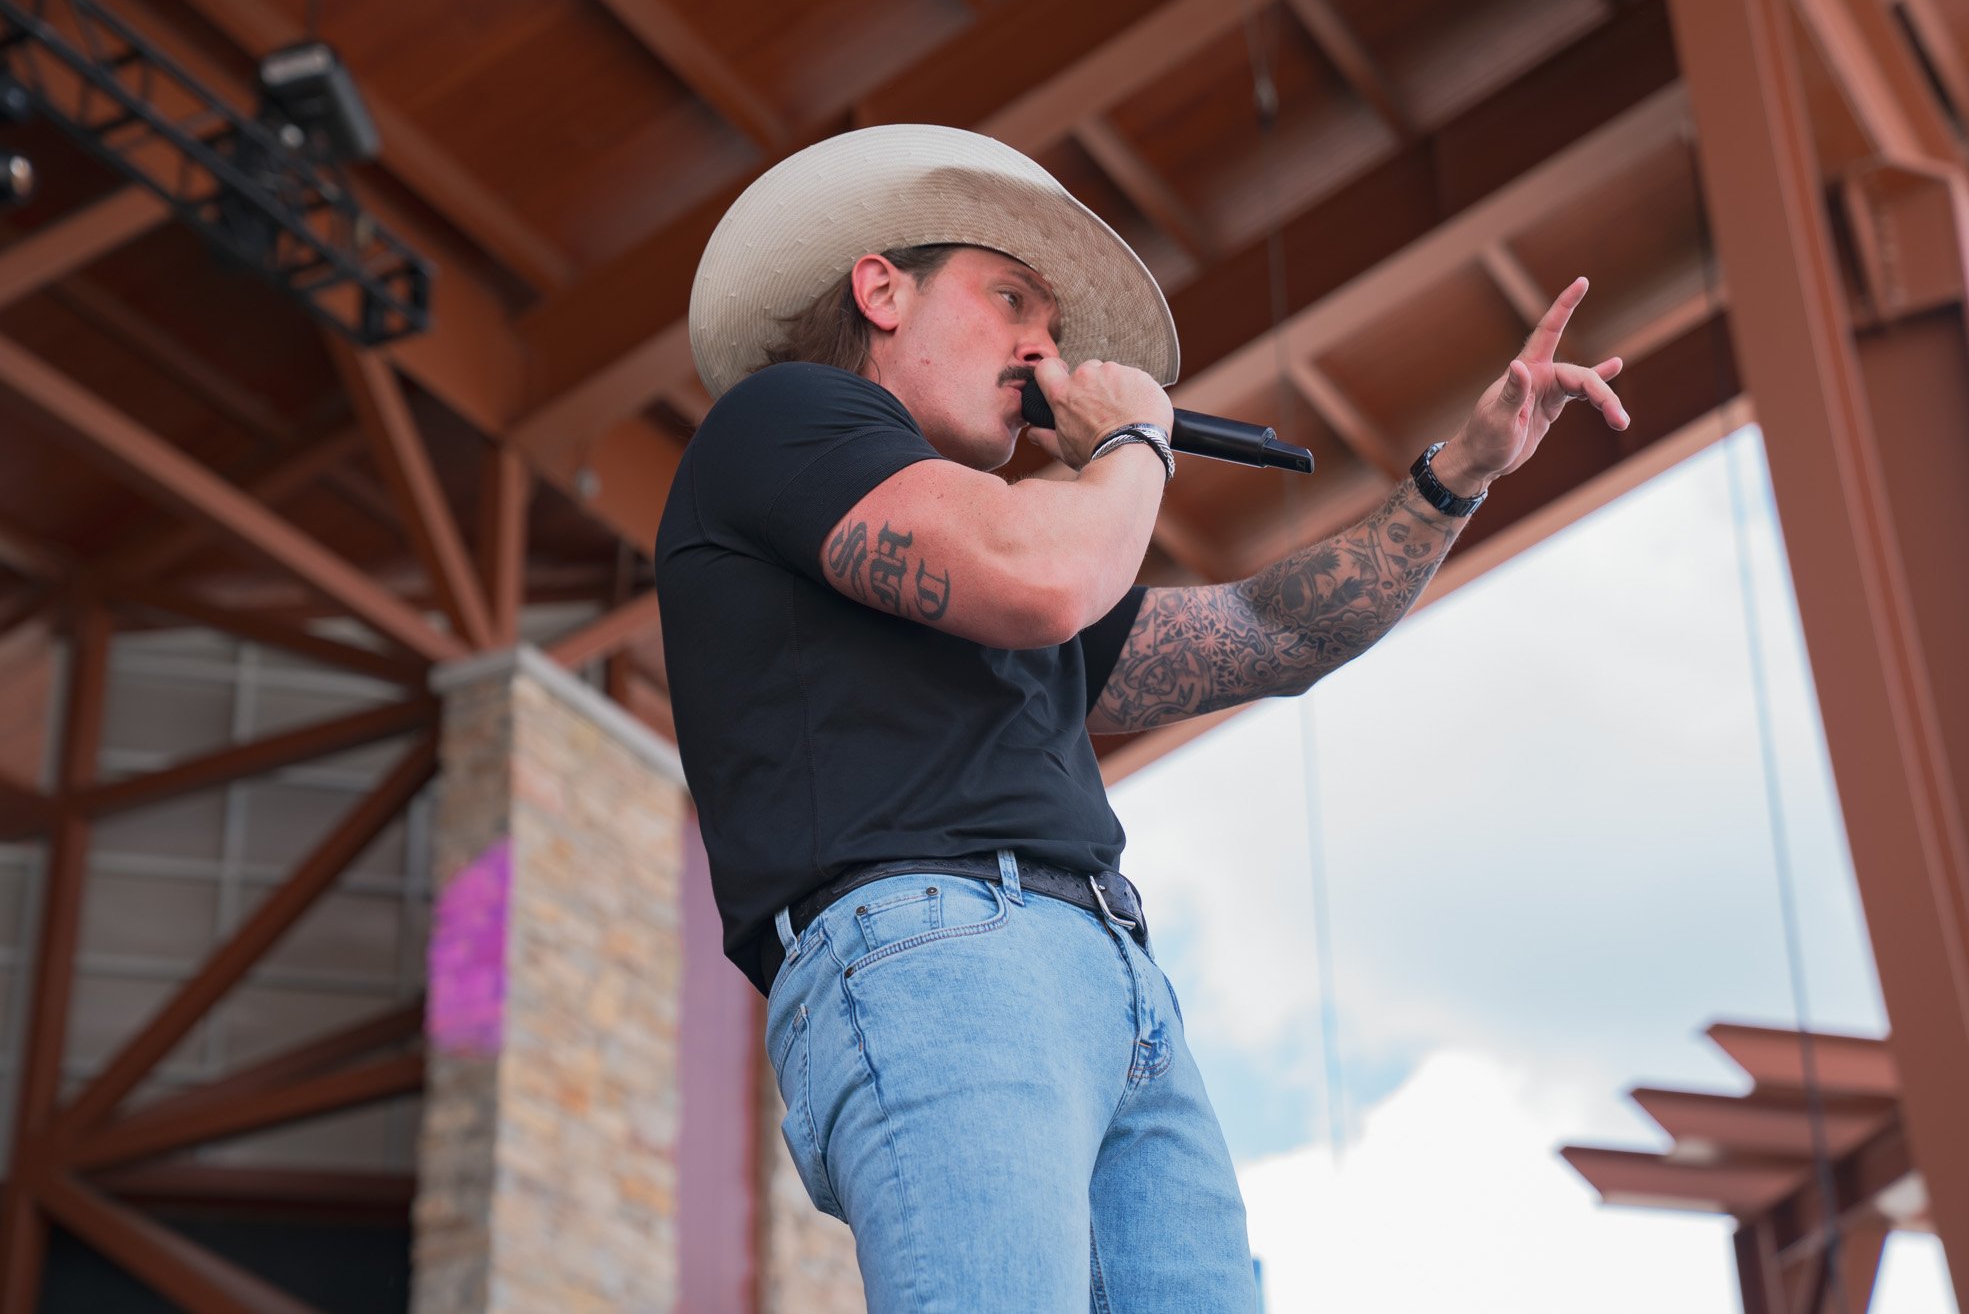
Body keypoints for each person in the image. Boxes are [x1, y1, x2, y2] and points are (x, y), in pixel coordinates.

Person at [656, 125, 1627, 1313]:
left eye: (1053, 326)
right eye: (1009, 299)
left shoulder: (1014, 542)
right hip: (932, 951)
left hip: (1114, 979)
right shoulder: (786, 421)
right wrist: (1128, 442)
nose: (1041, 347)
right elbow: (1043, 576)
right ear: (881, 290)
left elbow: (1270, 635)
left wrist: (1454, 478)